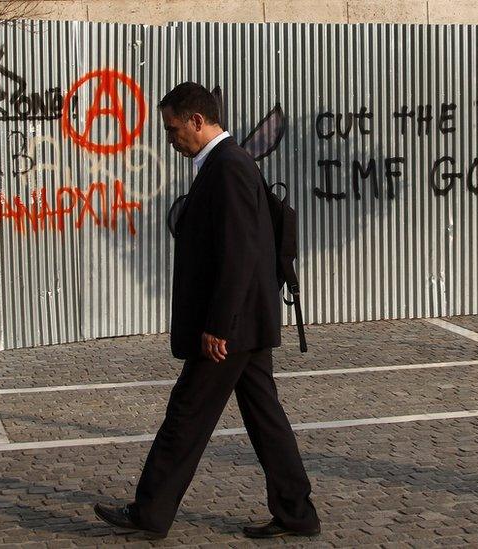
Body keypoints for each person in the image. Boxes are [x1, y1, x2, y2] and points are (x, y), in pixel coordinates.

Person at [93, 82, 320, 540]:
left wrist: (218, 325)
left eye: (174, 129)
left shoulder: (228, 166)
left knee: (187, 414)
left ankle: (150, 512)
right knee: (265, 418)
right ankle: (297, 514)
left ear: (197, 120)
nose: (171, 138)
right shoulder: (225, 164)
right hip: (245, 324)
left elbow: (239, 253)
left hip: (230, 328)